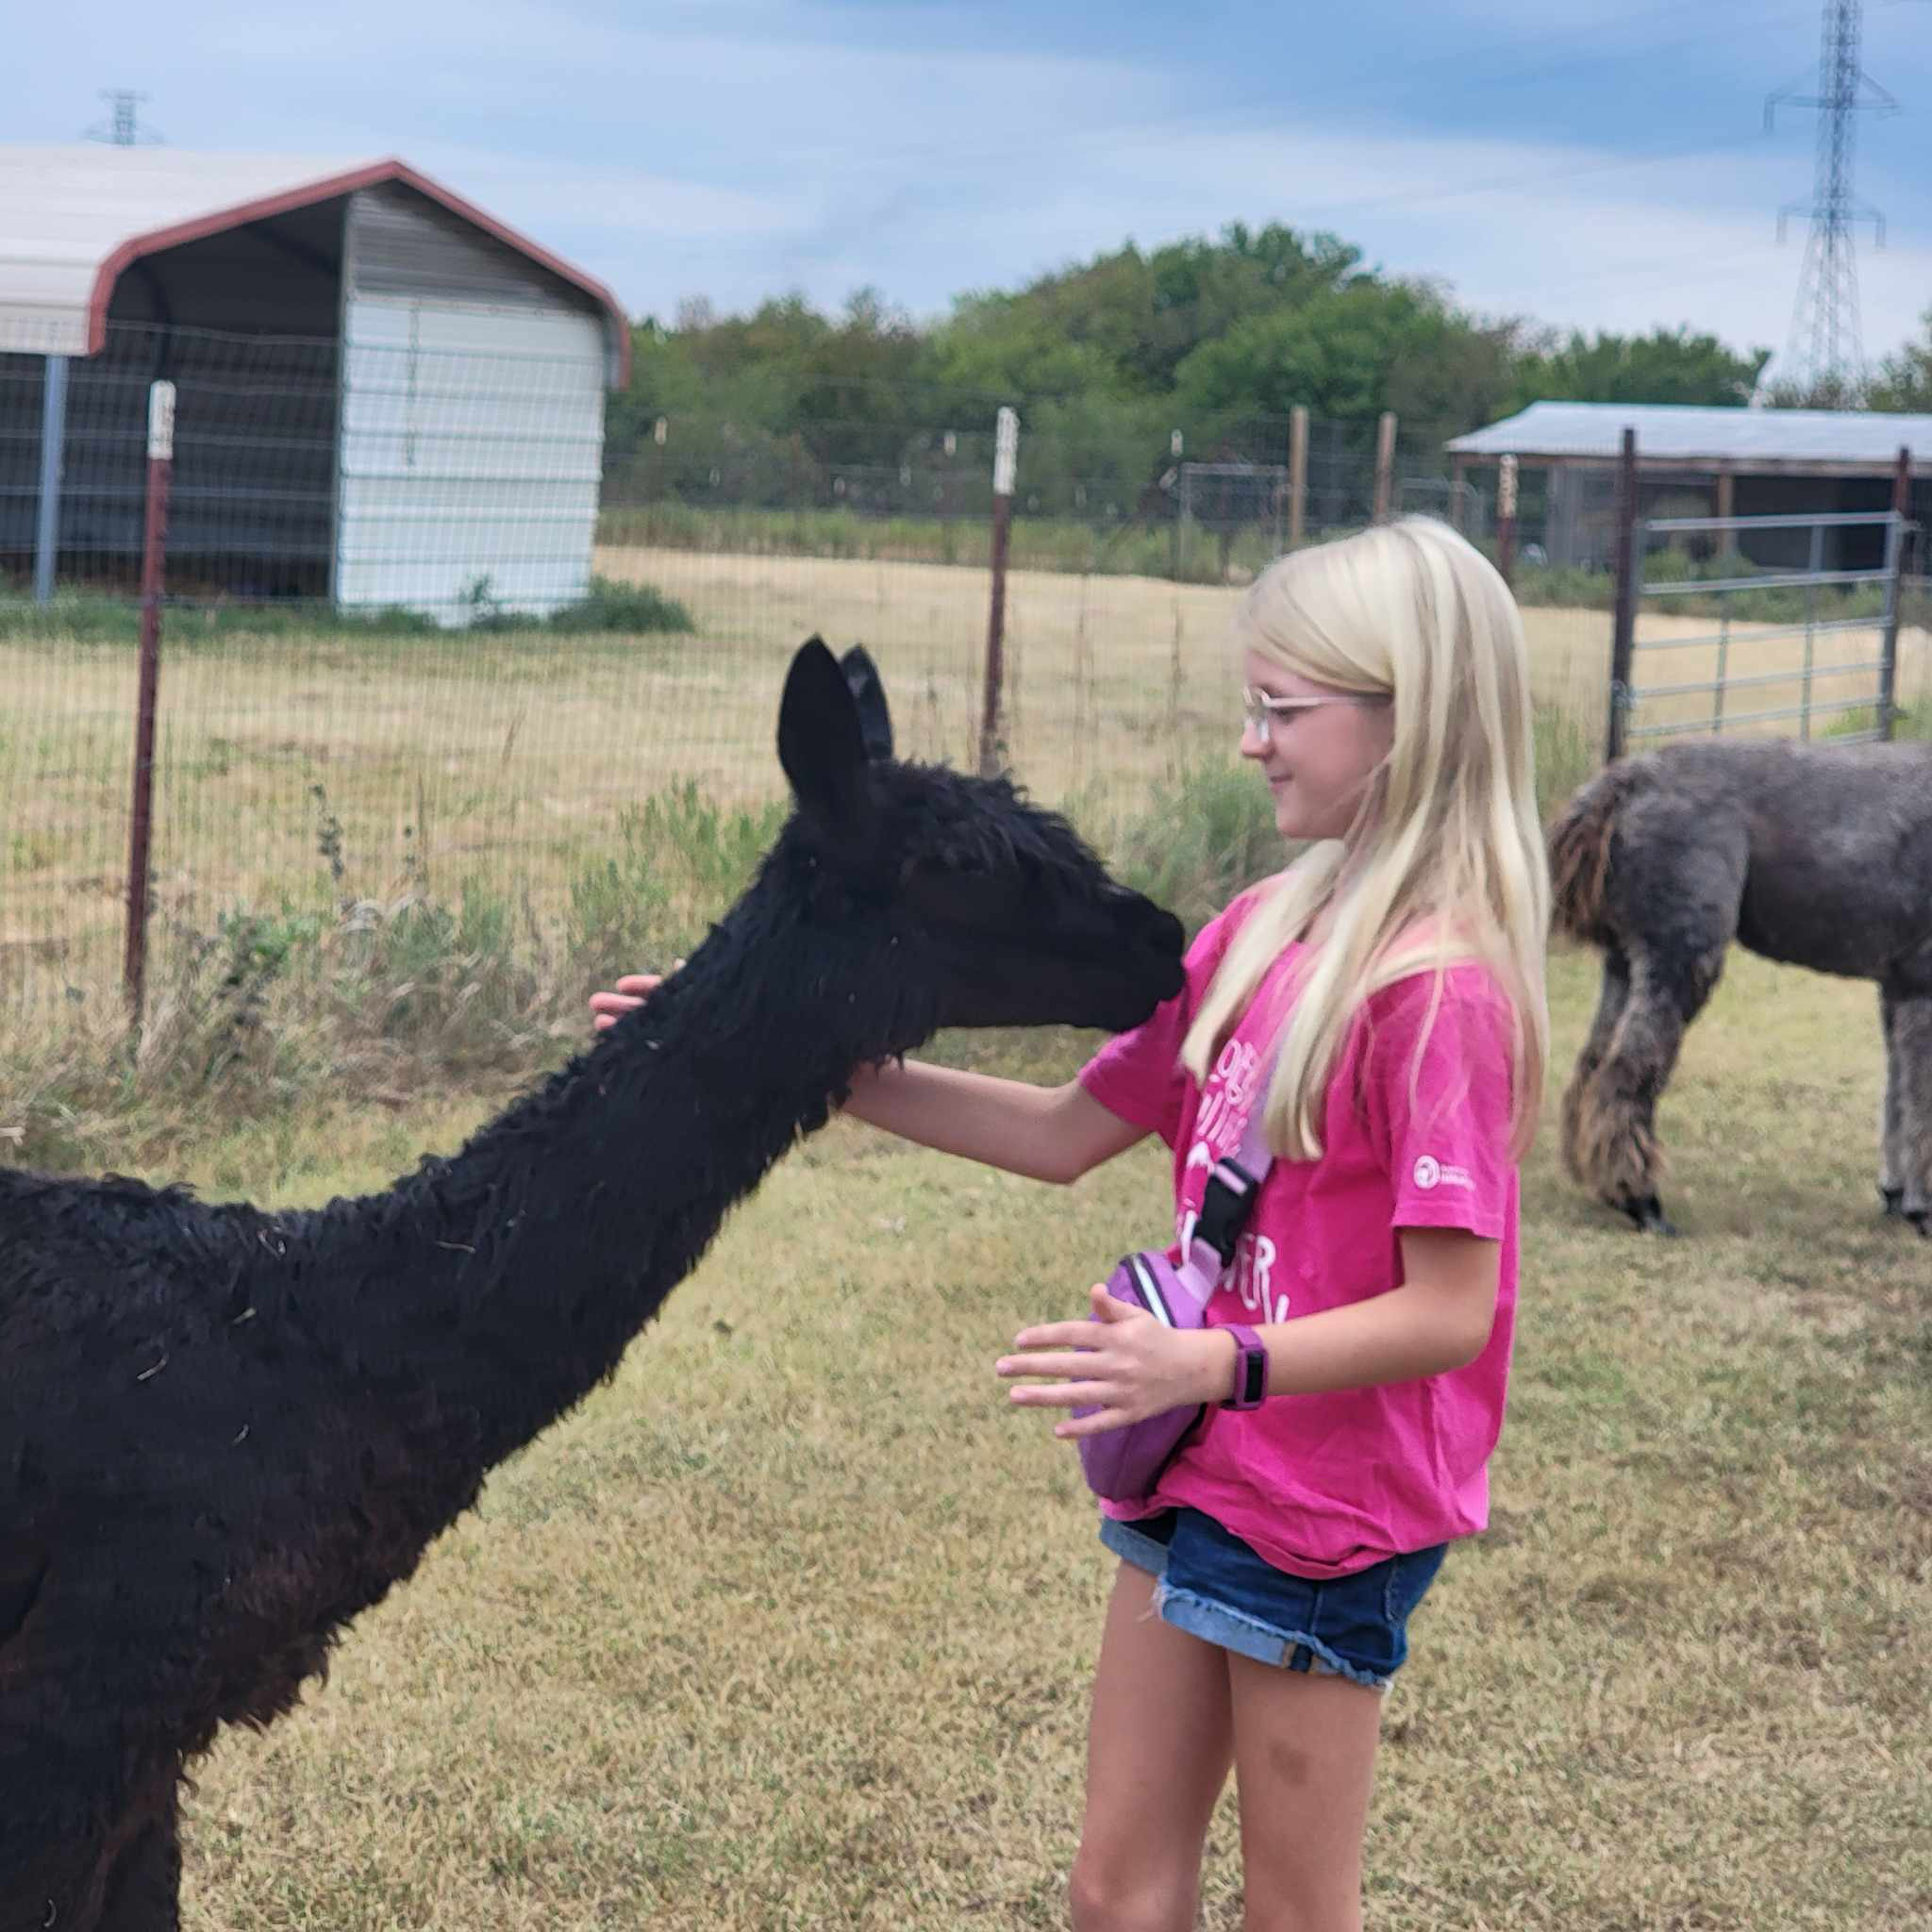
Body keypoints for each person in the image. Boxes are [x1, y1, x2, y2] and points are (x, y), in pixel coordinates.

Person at [591, 515, 1550, 1932]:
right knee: (1114, 1896)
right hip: (1195, 1470)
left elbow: (1450, 1314)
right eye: (1253, 708)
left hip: (1322, 1515)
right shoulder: (1260, 936)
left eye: (1283, 711)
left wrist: (1211, 1365)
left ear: (1412, 722)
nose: (1252, 742)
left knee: (1294, 1912)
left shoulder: (1435, 996)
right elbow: (1057, 1134)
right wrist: (779, 1051)